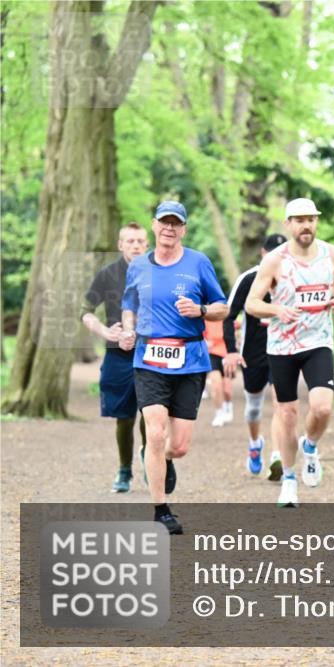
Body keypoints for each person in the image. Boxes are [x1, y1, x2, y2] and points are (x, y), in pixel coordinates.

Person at [119, 201, 229, 534]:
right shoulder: (138, 266)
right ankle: (161, 510)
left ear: (183, 229)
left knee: (178, 447)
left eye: (175, 223)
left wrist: (201, 310)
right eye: (164, 222)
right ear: (154, 225)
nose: (169, 228)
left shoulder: (198, 262)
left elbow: (223, 307)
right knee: (155, 432)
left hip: (190, 361)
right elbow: (128, 305)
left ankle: (161, 457)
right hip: (149, 359)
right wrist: (128, 329)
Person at [246, 199, 334, 508]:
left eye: (311, 219)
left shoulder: (331, 254)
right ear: (288, 224)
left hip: (318, 342)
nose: (306, 225)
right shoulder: (274, 260)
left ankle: (310, 446)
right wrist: (277, 309)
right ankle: (289, 480)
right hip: (283, 346)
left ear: (316, 222)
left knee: (322, 408)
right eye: (299, 220)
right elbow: (252, 303)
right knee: (286, 414)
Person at [81, 223, 149, 493]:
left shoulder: (159, 271)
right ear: (120, 245)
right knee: (125, 416)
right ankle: (124, 470)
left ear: (147, 244)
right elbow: (85, 311)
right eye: (130, 241)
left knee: (151, 411)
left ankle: (151, 458)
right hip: (118, 355)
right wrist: (106, 332)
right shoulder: (107, 274)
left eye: (140, 241)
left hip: (151, 351)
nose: (135, 245)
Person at [223, 233, 287, 479]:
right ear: (263, 253)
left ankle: (277, 456)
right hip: (253, 353)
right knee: (253, 408)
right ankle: (254, 444)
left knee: (281, 403)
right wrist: (230, 351)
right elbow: (228, 316)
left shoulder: (292, 277)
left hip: (282, 350)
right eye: (273, 253)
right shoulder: (249, 279)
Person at [204, 319, 234, 427]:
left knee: (227, 390)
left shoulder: (228, 315)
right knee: (216, 385)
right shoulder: (207, 316)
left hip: (227, 353)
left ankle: (228, 406)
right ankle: (219, 413)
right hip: (212, 352)